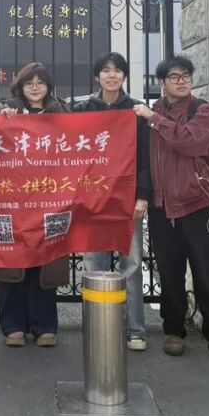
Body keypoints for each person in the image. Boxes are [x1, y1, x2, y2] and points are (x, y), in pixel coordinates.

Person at [134, 55, 209, 363]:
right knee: (169, 272)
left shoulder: (204, 111)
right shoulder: (152, 113)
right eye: (175, 77)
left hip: (196, 204)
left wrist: (154, 119)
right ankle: (173, 330)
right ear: (162, 82)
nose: (182, 81)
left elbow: (190, 142)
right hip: (162, 207)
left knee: (205, 271)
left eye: (186, 76)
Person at [75, 52, 152, 351]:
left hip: (126, 200)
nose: (111, 75)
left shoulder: (136, 111)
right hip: (92, 200)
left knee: (130, 265)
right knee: (93, 264)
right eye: (106, 71)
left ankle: (135, 329)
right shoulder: (83, 109)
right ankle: (97, 327)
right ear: (97, 76)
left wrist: (142, 195)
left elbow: (145, 156)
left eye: (117, 70)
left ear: (124, 76)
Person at [0, 62, 68, 347]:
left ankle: (43, 325)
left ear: (48, 87)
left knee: (45, 261)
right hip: (11, 200)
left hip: (50, 199)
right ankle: (12, 325)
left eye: (40, 83)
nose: (35, 88)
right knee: (11, 260)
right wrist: (3, 120)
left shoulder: (62, 113)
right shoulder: (6, 111)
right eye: (29, 83)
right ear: (20, 87)